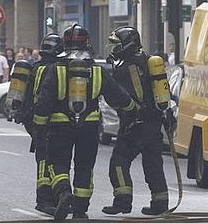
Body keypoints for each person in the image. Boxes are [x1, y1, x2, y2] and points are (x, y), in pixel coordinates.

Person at [33, 24, 137, 220]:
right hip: (89, 127)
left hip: (59, 126)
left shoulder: (55, 69)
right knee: (85, 166)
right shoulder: (97, 70)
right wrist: (133, 110)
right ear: (87, 43)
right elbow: (118, 96)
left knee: (57, 163)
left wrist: (39, 126)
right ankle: (80, 207)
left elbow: (44, 101)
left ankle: (64, 193)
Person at [102, 26, 173, 216]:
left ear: (127, 45)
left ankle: (122, 202)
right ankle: (160, 203)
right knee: (153, 163)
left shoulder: (125, 69)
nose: (114, 49)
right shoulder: (148, 61)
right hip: (154, 123)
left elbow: (118, 98)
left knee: (118, 162)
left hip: (135, 125)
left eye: (117, 45)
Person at [15, 34, 64, 216]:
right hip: (44, 120)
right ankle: (44, 200)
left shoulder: (35, 67)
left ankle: (52, 197)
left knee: (46, 157)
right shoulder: (55, 69)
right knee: (46, 158)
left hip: (32, 119)